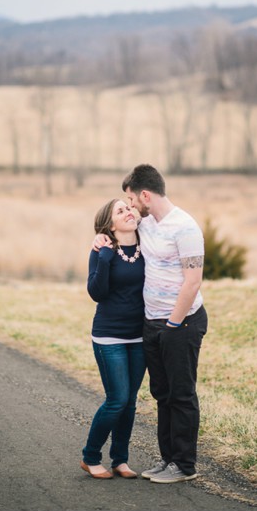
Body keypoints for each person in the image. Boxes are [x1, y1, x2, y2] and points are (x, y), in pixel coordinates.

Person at [95, 164, 207, 484]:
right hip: (151, 323)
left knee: (181, 394)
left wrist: (172, 325)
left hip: (181, 324)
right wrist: (100, 241)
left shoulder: (185, 228)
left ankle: (184, 465)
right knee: (162, 394)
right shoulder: (146, 224)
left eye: (131, 200)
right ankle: (168, 459)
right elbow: (120, 233)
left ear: (145, 195)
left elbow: (193, 282)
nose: (130, 207)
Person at [81, 198, 146, 479]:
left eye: (129, 208)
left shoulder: (148, 244)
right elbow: (96, 292)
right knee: (117, 399)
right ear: (110, 224)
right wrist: (105, 258)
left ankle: (120, 459)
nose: (128, 212)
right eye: (120, 211)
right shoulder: (101, 250)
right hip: (109, 335)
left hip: (140, 335)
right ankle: (90, 456)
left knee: (130, 401)